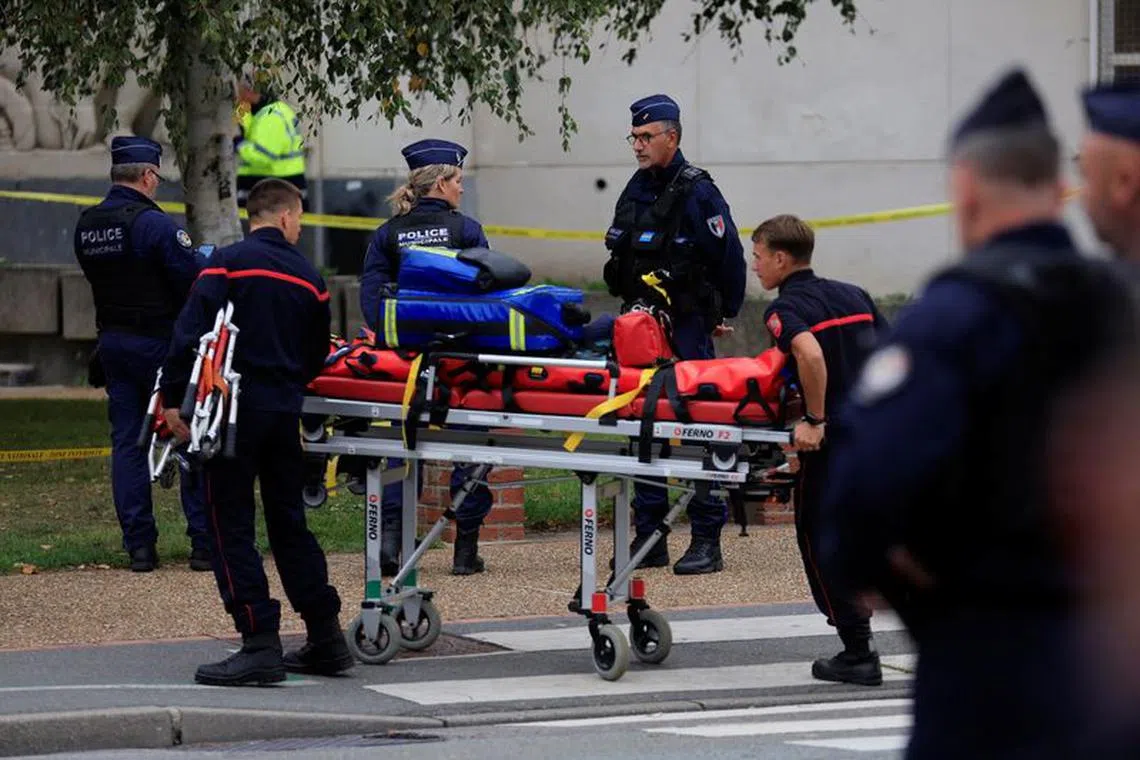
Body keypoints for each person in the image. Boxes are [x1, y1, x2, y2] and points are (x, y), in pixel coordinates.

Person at [817, 68, 1135, 758]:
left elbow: (858, 506)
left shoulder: (952, 320)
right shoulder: (1118, 304)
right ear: (1059, 191)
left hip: (991, 676)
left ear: (964, 185)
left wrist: (928, 587)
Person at [160, 178, 351, 686]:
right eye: (300, 220)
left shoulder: (225, 263)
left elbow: (189, 332)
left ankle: (259, 642)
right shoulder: (310, 277)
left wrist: (174, 399)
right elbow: (316, 354)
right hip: (284, 416)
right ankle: (325, 635)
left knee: (230, 527)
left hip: (230, 414)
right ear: (286, 217)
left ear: (254, 216)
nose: (300, 228)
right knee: (290, 524)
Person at [602, 94, 747, 575]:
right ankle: (652, 534)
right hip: (639, 327)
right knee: (643, 427)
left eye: (646, 137)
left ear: (673, 137)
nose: (638, 146)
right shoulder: (636, 187)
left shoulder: (697, 191)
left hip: (685, 325)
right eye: (634, 138)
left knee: (703, 426)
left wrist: (720, 311)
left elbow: (729, 257)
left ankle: (707, 537)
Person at [752, 213, 888, 686]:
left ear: (781, 259)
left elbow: (809, 354)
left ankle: (857, 652)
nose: (755, 267)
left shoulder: (785, 309)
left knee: (819, 535)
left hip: (834, 442)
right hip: (877, 434)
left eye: (758, 256)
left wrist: (814, 418)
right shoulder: (855, 294)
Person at [357, 138, 493, 577]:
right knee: (469, 443)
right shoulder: (467, 230)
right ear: (440, 182)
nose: (462, 189)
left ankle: (393, 543)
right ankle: (464, 549)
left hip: (405, 360)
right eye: (457, 181)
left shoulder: (387, 234)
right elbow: (486, 290)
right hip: (458, 355)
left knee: (400, 443)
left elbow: (372, 299)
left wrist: (394, 337)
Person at [73, 135, 209, 573]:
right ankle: (204, 544)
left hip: (113, 343)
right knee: (187, 434)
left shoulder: (89, 224)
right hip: (162, 345)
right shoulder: (155, 225)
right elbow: (192, 282)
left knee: (128, 443)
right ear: (149, 176)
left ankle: (140, 548)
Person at [234, 74, 306, 208]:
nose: (237, 94)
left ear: (251, 91)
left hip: (277, 187)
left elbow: (263, 156)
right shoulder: (257, 110)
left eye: (240, 90)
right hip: (264, 185)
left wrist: (238, 145)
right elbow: (243, 123)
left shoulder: (272, 115)